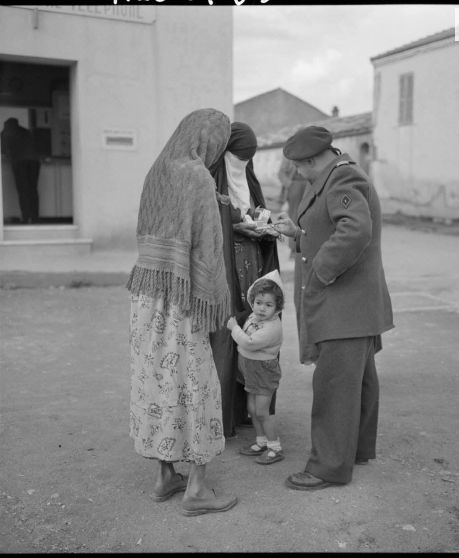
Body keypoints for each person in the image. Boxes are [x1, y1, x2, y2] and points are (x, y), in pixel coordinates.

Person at [126, 108, 238, 516]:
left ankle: (164, 476)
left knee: (157, 380)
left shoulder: (158, 170)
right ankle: (197, 490)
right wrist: (217, 297)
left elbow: (171, 219)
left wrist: (214, 200)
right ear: (211, 141)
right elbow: (206, 248)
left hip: (147, 292)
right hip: (181, 298)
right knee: (197, 382)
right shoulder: (198, 176)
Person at [274, 125, 394, 491]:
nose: (299, 175)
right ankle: (352, 450)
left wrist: (321, 270)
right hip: (353, 306)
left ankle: (328, 466)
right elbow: (332, 226)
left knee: (334, 386)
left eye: (299, 168)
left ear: (311, 160)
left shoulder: (342, 179)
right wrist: (300, 235)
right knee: (357, 382)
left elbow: (355, 230)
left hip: (344, 304)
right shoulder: (335, 177)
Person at [209, 122, 281, 438]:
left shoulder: (247, 178)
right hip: (224, 269)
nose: (241, 167)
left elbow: (253, 207)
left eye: (246, 161)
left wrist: (260, 219)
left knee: (255, 324)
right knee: (229, 335)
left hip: (251, 264)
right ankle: (227, 414)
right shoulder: (211, 181)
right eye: (236, 159)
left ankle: (254, 408)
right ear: (225, 154)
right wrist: (236, 223)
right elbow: (211, 219)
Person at [227, 270, 285, 465]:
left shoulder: (272, 327)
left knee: (262, 411)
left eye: (268, 305)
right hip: (251, 370)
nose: (261, 309)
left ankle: (274, 447)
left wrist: (234, 327)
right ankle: (261, 441)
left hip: (263, 371)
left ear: (277, 307)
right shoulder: (254, 316)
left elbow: (249, 342)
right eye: (259, 303)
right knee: (252, 408)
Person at [0, 117, 41, 224]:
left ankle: (26, 217)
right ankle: (35, 218)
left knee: (23, 190)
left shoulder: (7, 132)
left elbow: (2, 149)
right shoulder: (25, 131)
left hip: (20, 161)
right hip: (34, 161)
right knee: (32, 189)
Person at [278, 157, 308, 257]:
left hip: (309, 184)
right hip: (295, 185)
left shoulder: (310, 148)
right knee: (295, 217)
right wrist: (290, 185)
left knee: (309, 215)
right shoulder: (289, 154)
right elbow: (281, 173)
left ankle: (307, 246)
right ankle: (294, 249)